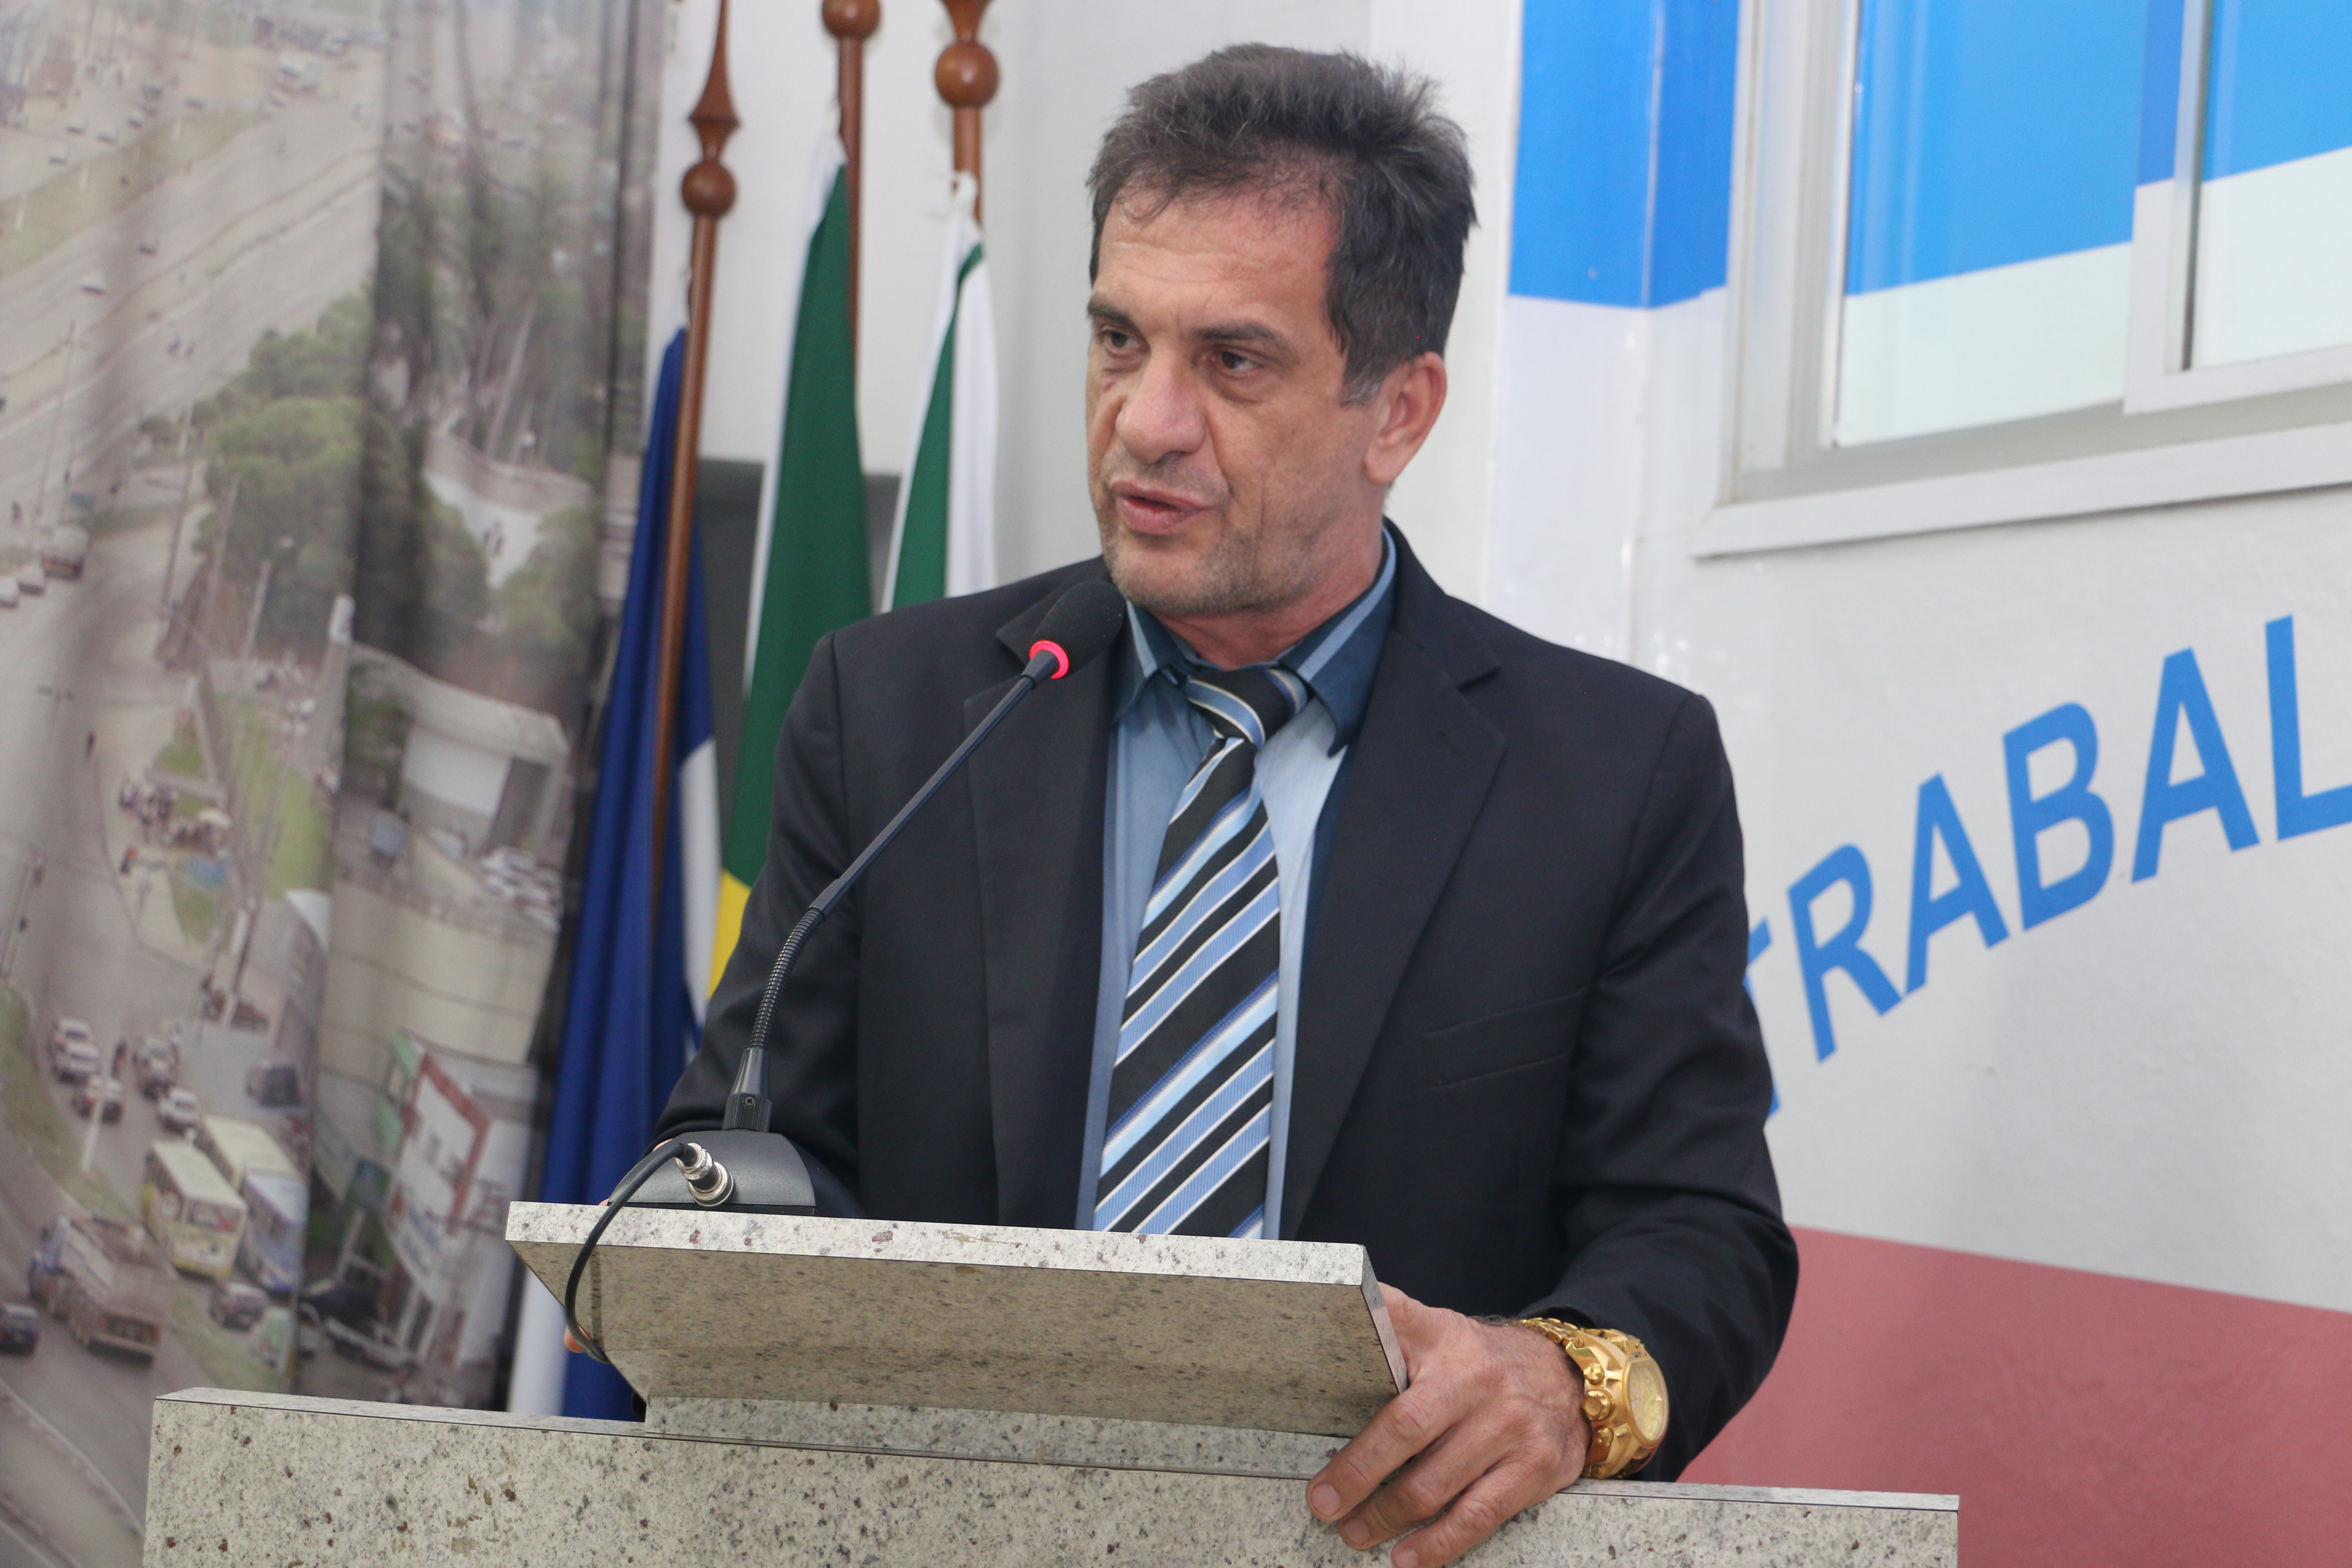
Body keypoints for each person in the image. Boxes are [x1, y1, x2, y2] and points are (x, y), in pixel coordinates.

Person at [658, 46, 1793, 1567]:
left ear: (1398, 412)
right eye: (1118, 339)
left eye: (1233, 361)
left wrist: (1560, 1381)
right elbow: (745, 1148)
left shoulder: (1613, 772)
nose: (1146, 422)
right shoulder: (895, 712)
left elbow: (1701, 1233)